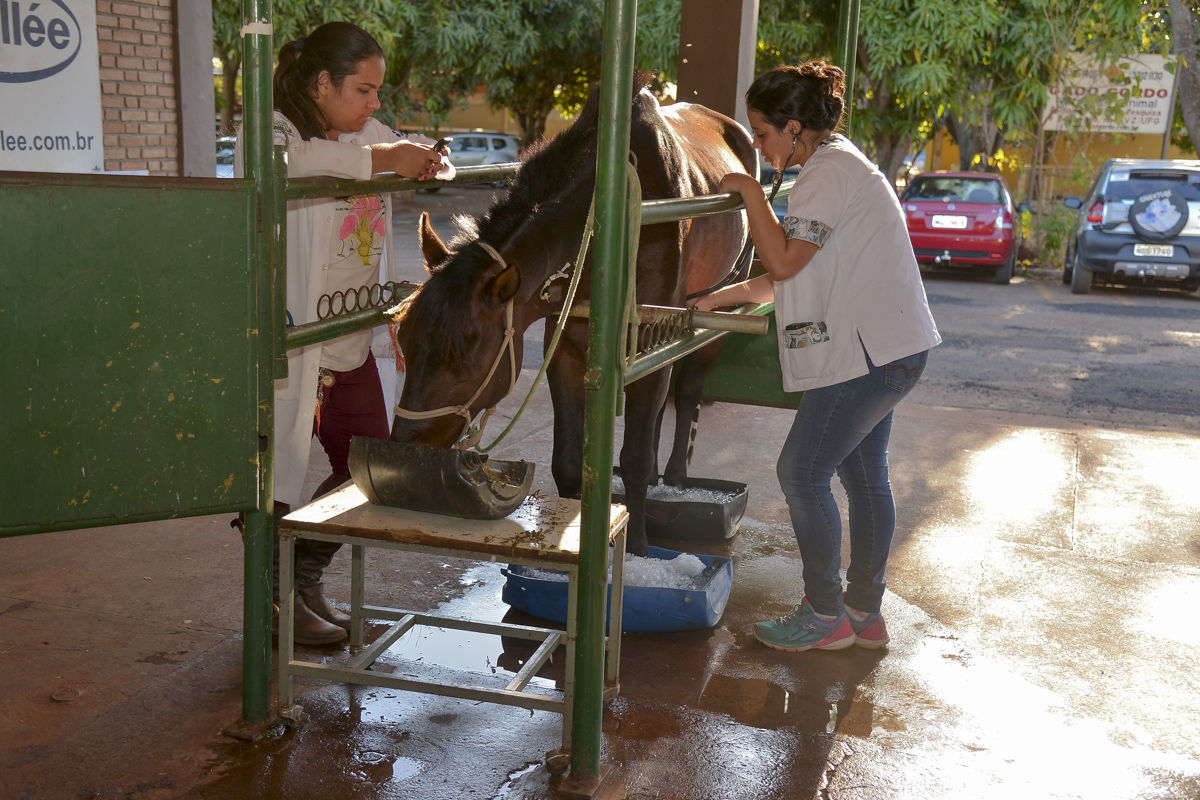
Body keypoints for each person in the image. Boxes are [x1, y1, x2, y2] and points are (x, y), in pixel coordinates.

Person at [689, 60, 941, 653]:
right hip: (892, 350)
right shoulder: (838, 166)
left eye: (763, 133)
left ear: (795, 128)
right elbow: (784, 279)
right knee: (864, 478)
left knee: (801, 474)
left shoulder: (826, 174)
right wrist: (710, 298)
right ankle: (862, 614)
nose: (756, 144)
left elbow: (782, 263)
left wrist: (750, 192)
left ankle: (825, 613)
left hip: (869, 357)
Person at [235, 21, 452, 645]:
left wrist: (426, 156)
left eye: (378, 91)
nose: (374, 104)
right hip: (290, 334)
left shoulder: (368, 132)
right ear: (322, 83)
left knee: (374, 465)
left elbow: (403, 148)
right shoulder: (273, 128)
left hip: (348, 332)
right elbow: (295, 164)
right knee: (271, 474)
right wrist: (385, 159)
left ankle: (302, 578)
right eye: (363, 90)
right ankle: (274, 604)